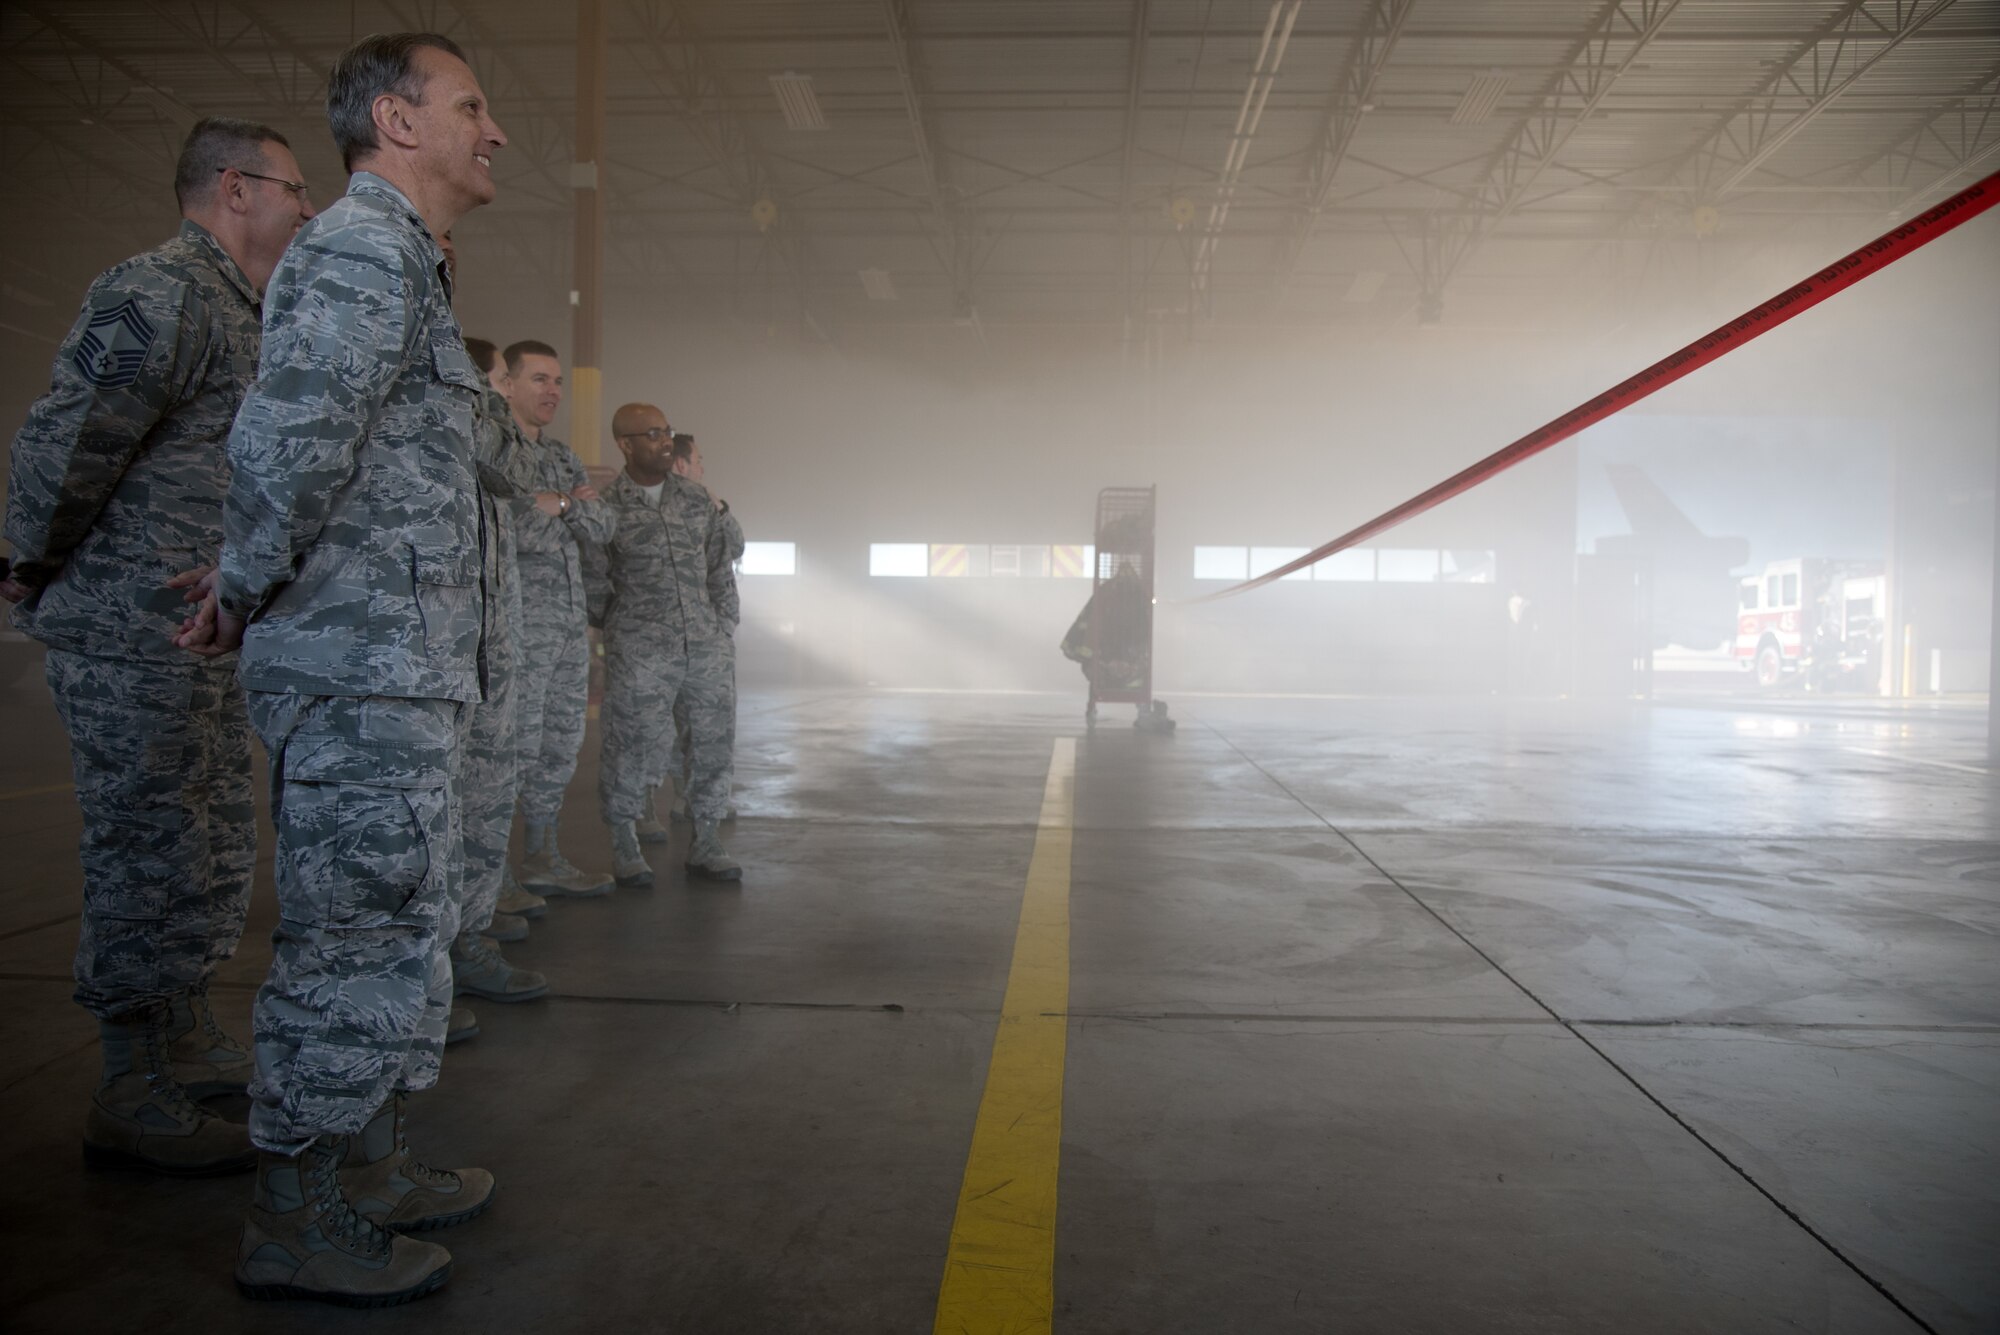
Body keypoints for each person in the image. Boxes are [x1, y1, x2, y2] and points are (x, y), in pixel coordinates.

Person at [183, 31, 505, 1305]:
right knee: (348, 934)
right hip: (358, 665)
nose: (495, 132)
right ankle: (296, 1210)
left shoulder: (408, 264)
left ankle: (367, 1163)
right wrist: (240, 585)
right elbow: (288, 446)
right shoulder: (361, 252)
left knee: (399, 927)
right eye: (472, 107)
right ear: (397, 119)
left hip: (401, 667)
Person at [2, 117, 313, 1176]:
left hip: (200, 637)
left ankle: (181, 1032)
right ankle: (130, 1083)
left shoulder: (245, 310)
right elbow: (69, 440)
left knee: (210, 842)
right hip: (130, 629)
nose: (306, 207)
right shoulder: (159, 292)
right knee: (145, 850)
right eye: (292, 188)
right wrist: (26, 565)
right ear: (235, 187)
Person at [597, 405, 741, 885]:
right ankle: (624, 845)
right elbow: (594, 578)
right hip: (641, 649)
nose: (664, 441)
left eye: (668, 432)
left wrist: (722, 627)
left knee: (711, 744)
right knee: (631, 745)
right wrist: (620, 628)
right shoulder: (607, 507)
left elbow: (721, 564)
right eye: (653, 434)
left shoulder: (696, 501)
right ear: (626, 443)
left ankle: (705, 841)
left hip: (704, 646)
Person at [503, 339, 616, 898]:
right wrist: (568, 509)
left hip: (569, 632)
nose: (552, 391)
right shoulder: (495, 454)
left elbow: (602, 528)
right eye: (539, 379)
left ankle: (543, 855)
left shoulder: (562, 457)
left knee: (558, 746)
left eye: (557, 382)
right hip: (517, 632)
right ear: (508, 384)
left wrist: (565, 505)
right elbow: (512, 529)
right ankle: (492, 875)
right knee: (510, 751)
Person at [659, 430, 743, 828]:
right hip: (690, 636)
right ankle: (688, 799)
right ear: (681, 464)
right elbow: (736, 546)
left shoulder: (698, 506)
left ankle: (686, 798)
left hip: (700, 633)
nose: (701, 468)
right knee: (692, 723)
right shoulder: (688, 506)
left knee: (689, 723)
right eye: (698, 461)